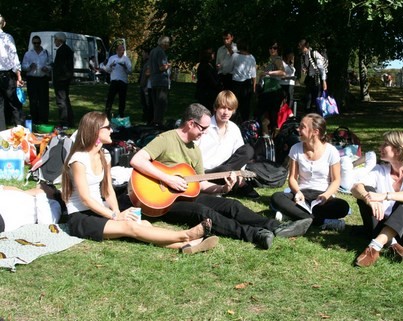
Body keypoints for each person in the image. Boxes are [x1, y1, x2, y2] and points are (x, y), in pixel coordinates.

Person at [129, 103, 312, 250]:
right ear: (191, 123)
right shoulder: (166, 139)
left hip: (188, 194)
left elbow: (200, 184)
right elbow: (137, 160)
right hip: (164, 201)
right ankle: (254, 234)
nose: (205, 132)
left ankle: (273, 226)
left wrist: (223, 188)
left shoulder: (195, 151)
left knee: (231, 205)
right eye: (203, 127)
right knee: (204, 212)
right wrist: (168, 179)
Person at [61, 111, 218, 254]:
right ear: (96, 131)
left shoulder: (105, 155)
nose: (111, 130)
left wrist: (118, 212)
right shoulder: (78, 160)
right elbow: (85, 199)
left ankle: (187, 247)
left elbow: (108, 190)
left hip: (99, 211)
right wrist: (115, 215)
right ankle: (185, 236)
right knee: (130, 227)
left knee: (143, 224)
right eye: (107, 127)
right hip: (80, 217)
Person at [351, 130, 403, 267]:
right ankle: (391, 243)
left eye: (385, 145)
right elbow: (355, 187)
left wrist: (385, 196)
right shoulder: (379, 170)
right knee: (366, 193)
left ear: (399, 150)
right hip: (381, 224)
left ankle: (375, 246)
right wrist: (367, 198)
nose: (380, 148)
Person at [270, 113, 350, 231]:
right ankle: (321, 221)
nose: (298, 129)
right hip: (302, 194)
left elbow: (336, 180)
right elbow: (292, 177)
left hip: (322, 197)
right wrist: (297, 192)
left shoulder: (331, 151)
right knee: (276, 198)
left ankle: (295, 216)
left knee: (343, 207)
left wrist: (326, 196)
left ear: (315, 132)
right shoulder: (295, 149)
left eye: (302, 127)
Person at [197, 90, 259, 199]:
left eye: (229, 109)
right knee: (225, 170)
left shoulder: (234, 128)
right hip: (206, 172)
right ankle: (238, 186)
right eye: (222, 108)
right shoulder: (204, 126)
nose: (226, 112)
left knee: (248, 149)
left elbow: (240, 154)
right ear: (215, 108)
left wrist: (240, 172)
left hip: (229, 169)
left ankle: (237, 182)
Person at [0, 15, 24, 131]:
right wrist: (19, 75)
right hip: (6, 75)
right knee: (14, 104)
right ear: (3, 24)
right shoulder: (7, 38)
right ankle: (20, 130)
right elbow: (14, 56)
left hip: (5, 74)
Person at [258, 41, 286, 136]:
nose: (272, 50)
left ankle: (274, 138)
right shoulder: (269, 59)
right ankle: (266, 138)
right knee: (264, 116)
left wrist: (268, 73)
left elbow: (283, 72)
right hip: (266, 90)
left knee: (272, 116)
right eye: (270, 48)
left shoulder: (277, 59)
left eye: (274, 48)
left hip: (274, 91)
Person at [22, 35, 51, 124]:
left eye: (38, 43)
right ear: (32, 43)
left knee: (43, 100)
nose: (36, 45)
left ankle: (44, 119)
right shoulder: (28, 54)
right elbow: (23, 66)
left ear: (40, 43)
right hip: (32, 79)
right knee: (33, 100)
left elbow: (50, 64)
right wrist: (29, 67)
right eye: (35, 43)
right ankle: (34, 119)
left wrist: (47, 68)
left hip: (43, 79)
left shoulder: (45, 53)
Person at [298, 39, 327, 113]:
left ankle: (318, 115)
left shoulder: (314, 54)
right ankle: (308, 114)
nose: (299, 48)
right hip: (309, 79)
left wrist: (324, 81)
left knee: (317, 99)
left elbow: (321, 68)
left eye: (300, 46)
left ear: (304, 46)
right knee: (308, 98)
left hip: (316, 79)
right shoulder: (303, 56)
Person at [231, 39, 256, 123]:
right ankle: (245, 123)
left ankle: (234, 122)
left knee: (234, 104)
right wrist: (254, 87)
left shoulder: (235, 56)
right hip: (247, 83)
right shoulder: (251, 57)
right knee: (246, 106)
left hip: (236, 83)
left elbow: (230, 68)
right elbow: (253, 74)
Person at [52, 32, 74, 128]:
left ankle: (64, 122)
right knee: (66, 100)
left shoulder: (62, 50)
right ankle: (69, 120)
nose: (54, 41)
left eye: (55, 39)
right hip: (66, 78)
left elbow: (60, 67)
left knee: (61, 101)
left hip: (61, 79)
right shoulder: (67, 49)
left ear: (59, 40)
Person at [104, 44, 132, 118]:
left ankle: (121, 114)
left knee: (122, 99)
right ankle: (107, 112)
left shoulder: (126, 59)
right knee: (110, 98)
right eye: (120, 50)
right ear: (117, 51)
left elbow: (130, 71)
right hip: (114, 81)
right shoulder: (112, 58)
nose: (122, 51)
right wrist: (111, 66)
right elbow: (107, 69)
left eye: (123, 50)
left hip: (123, 81)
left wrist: (125, 67)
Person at [149, 36, 171, 127]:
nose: (168, 46)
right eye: (168, 43)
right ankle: (158, 122)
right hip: (161, 80)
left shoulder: (153, 51)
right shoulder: (161, 52)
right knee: (161, 103)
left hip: (153, 80)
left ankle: (155, 120)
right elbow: (162, 67)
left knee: (155, 103)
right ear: (164, 44)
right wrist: (169, 65)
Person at [139, 49, 153, 123]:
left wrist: (144, 85)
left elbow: (148, 74)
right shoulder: (145, 63)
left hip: (146, 85)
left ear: (147, 54)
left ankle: (148, 118)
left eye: (144, 53)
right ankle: (146, 117)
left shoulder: (149, 63)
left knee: (147, 103)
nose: (143, 55)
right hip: (143, 85)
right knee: (144, 102)